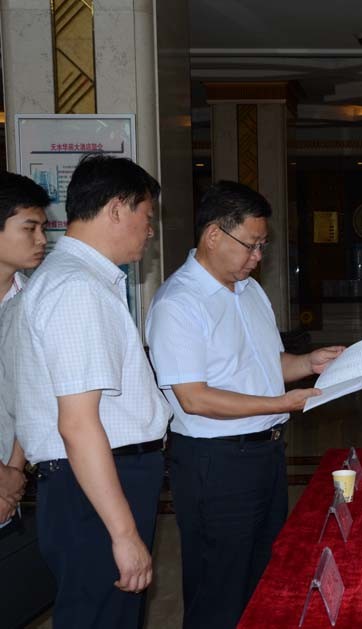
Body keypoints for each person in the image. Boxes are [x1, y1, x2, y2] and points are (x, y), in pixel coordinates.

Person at [145, 181, 343, 629]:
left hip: (265, 453)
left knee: (262, 576)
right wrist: (280, 402)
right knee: (219, 587)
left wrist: (309, 363)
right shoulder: (179, 303)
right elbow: (193, 397)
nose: (257, 257)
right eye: (251, 245)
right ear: (214, 235)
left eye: (262, 246)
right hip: (216, 462)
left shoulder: (249, 291)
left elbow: (266, 364)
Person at [7, 155, 170, 627]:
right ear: (117, 209)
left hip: (97, 482)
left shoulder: (77, 280)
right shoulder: (77, 287)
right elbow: (78, 424)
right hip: (96, 485)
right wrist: (123, 533)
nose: (150, 231)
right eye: (147, 215)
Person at [0, 171, 50, 529]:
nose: (42, 239)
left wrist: (13, 474)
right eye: (29, 228)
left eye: (42, 228)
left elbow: (32, 393)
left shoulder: (36, 301)